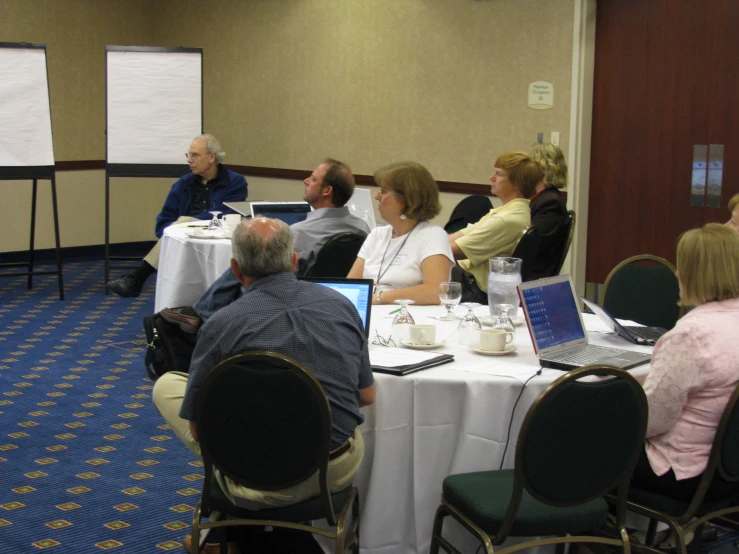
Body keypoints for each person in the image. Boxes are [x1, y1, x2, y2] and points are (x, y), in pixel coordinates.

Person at [152, 217, 374, 517]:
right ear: (295, 261)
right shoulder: (340, 305)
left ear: (235, 269)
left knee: (167, 385)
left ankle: (225, 523)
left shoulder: (220, 324)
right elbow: (367, 395)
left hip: (248, 477)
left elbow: (197, 427)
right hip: (328, 471)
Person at [160, 159, 370, 332]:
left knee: (246, 263)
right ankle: (201, 313)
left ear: (327, 191)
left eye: (313, 179)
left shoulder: (299, 232)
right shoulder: (362, 228)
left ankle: (202, 313)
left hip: (285, 300)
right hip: (339, 302)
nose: (306, 180)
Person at [632, 223, 739, 501]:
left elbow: (650, 421)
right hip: (729, 467)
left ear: (695, 273)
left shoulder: (691, 335)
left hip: (683, 472)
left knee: (578, 438)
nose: (677, 273)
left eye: (681, 266)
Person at [107, 134, 247, 298]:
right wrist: (175, 232)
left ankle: (137, 277)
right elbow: (164, 220)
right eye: (188, 155)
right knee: (180, 224)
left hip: (217, 236)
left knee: (183, 221)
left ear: (211, 157)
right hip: (183, 239)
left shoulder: (235, 182)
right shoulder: (183, 183)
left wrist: (187, 223)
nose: (189, 160)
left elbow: (228, 212)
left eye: (195, 155)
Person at [346, 161, 454, 305]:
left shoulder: (432, 236)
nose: (377, 196)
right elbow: (350, 287)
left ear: (407, 199)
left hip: (411, 321)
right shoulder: (377, 235)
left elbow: (435, 292)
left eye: (383, 191)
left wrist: (379, 298)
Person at [448, 152, 543, 303]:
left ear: (516, 184)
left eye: (499, 174)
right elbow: (459, 236)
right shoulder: (507, 211)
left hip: (473, 288)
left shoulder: (507, 220)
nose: (491, 178)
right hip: (468, 278)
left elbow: (453, 251)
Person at [529, 142, 570, 279]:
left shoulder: (551, 203)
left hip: (531, 276)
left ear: (542, 168)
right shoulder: (540, 197)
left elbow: (532, 244)